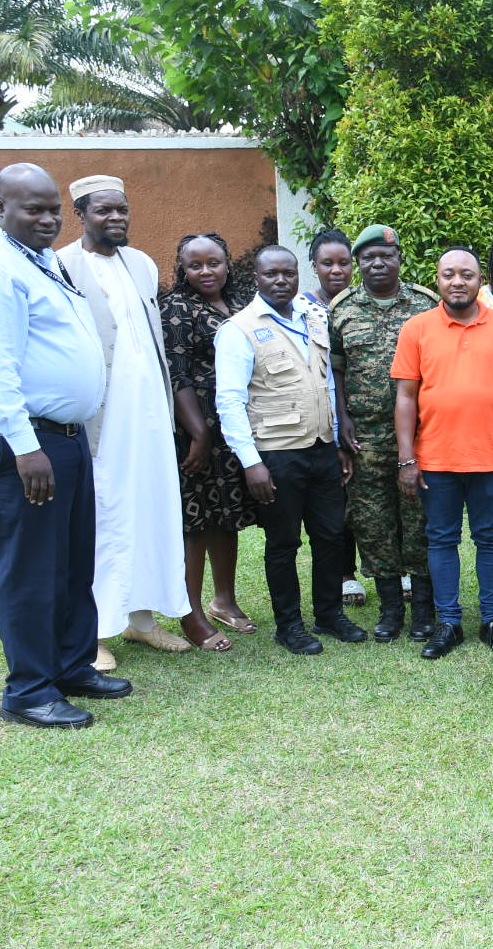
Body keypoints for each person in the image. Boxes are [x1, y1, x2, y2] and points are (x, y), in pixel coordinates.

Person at [0, 163, 123, 727]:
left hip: (63, 438)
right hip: (24, 444)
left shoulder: (39, 261)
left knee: (69, 562)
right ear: (0, 208)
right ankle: (29, 691)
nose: (46, 218)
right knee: (29, 570)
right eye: (31, 209)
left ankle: (70, 663)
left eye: (52, 208)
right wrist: (23, 445)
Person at [58, 174, 203, 661]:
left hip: (148, 418)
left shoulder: (140, 263)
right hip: (102, 422)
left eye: (122, 209)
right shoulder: (62, 265)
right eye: (104, 211)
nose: (116, 218)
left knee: (149, 510)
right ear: (80, 215)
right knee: (104, 516)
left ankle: (141, 620)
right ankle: (93, 633)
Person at [216, 244, 362, 655]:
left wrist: (337, 441)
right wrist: (251, 463)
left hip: (320, 449)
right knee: (283, 543)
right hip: (275, 454)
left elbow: (328, 383)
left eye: (288, 272)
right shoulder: (239, 330)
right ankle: (289, 625)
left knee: (331, 535)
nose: (281, 280)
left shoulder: (313, 319)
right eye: (271, 274)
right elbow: (229, 401)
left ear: (298, 275)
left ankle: (329, 614)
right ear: (256, 279)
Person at [393, 247, 493, 659]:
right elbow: (405, 396)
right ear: (437, 280)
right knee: (441, 540)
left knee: (490, 540)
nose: (458, 281)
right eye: (449, 274)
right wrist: (406, 458)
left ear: (479, 281)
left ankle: (492, 620)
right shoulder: (416, 329)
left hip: (492, 459)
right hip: (435, 458)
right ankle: (448, 623)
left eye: (467, 274)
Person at [329, 224, 440, 643]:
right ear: (359, 264)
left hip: (421, 433)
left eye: (386, 256)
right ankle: (391, 608)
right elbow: (335, 372)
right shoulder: (342, 309)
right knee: (373, 521)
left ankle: (425, 608)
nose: (378, 263)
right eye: (369, 258)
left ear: (399, 259)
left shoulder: (426, 306)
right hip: (367, 436)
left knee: (419, 516)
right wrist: (343, 420)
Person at [160, 233, 258, 639]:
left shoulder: (242, 304)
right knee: (196, 521)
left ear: (228, 263)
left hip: (234, 428)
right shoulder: (177, 307)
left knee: (226, 515)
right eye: (195, 265)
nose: (205, 271)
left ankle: (225, 600)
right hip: (196, 429)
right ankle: (192, 612)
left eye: (213, 262)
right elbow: (176, 371)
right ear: (182, 269)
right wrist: (197, 432)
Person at [299, 228, 366, 606]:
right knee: (337, 501)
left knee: (371, 496)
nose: (337, 270)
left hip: (368, 416)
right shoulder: (300, 308)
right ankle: (345, 573)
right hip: (325, 419)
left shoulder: (361, 302)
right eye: (328, 263)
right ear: (315, 266)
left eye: (344, 263)